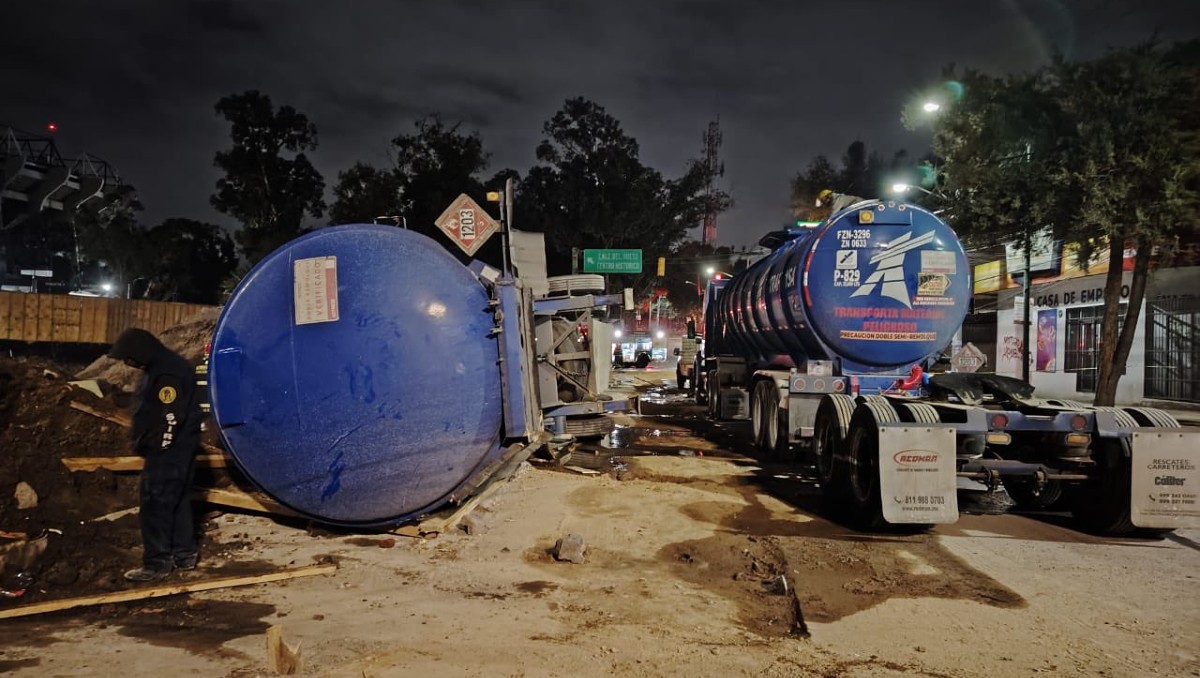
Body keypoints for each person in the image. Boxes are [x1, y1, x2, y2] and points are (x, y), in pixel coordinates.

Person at [107, 328, 202, 582]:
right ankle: (184, 555)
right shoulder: (167, 365)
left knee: (155, 505)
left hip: (168, 454)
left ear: (140, 352)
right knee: (179, 502)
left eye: (129, 358)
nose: (129, 364)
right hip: (181, 451)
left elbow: (170, 417)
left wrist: (160, 451)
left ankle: (157, 563)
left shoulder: (167, 373)